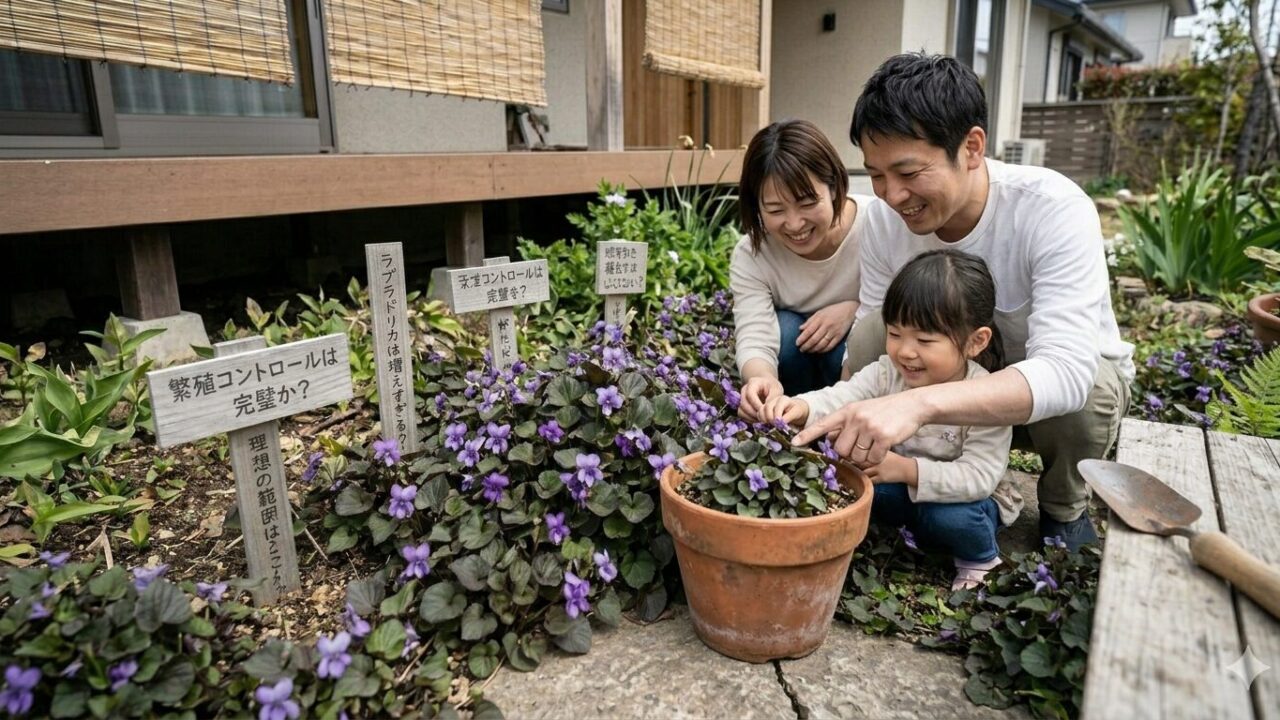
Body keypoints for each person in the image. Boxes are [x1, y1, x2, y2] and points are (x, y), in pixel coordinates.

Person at [794, 53, 1133, 550]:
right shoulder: (887, 221)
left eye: (908, 172)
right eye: (876, 174)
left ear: (972, 147)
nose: (891, 194)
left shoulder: (1052, 209)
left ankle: (1064, 505)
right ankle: (921, 475)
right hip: (947, 398)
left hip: (1045, 413)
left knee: (1091, 389)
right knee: (870, 333)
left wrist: (917, 403)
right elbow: (871, 332)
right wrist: (841, 415)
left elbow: (1065, 373)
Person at [767, 249, 1019, 590]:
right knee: (864, 488)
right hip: (898, 483)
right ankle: (901, 536)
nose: (905, 351)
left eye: (925, 340)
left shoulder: (986, 395)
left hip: (967, 500)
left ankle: (980, 559)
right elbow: (841, 398)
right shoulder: (887, 372)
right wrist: (800, 407)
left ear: (976, 341)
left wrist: (905, 469)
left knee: (951, 517)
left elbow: (979, 478)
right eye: (895, 333)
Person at [732, 119, 875, 422]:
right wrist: (762, 378)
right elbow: (754, 331)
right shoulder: (752, 253)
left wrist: (855, 308)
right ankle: (790, 428)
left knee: (864, 336)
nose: (795, 224)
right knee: (783, 329)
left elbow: (908, 305)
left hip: (857, 380)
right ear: (756, 205)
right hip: (793, 371)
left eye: (807, 202)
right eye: (775, 210)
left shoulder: (876, 224)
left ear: (834, 188)